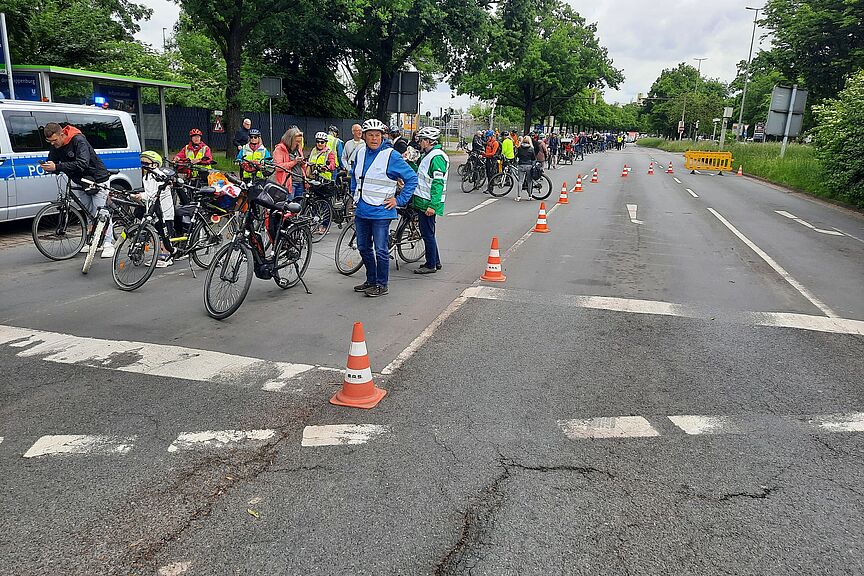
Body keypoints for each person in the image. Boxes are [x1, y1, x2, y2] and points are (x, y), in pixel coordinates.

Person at [349, 118, 417, 297]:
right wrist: (354, 194)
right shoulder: (360, 153)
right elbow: (354, 176)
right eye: (370, 135)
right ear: (364, 136)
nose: (374, 138)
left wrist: (399, 200)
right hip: (362, 210)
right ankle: (371, 280)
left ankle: (381, 284)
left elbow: (412, 178)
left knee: (380, 250)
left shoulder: (391, 155)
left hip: (381, 212)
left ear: (382, 137)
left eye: (377, 135)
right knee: (363, 247)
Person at [40, 122, 115, 257]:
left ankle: (109, 243)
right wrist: (49, 166)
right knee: (89, 212)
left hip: (97, 178)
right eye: (49, 141)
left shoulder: (78, 140)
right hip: (81, 181)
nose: (52, 144)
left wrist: (57, 167)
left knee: (101, 212)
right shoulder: (56, 145)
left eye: (54, 140)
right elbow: (53, 161)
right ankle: (94, 241)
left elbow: (82, 163)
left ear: (62, 134)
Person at [411, 127, 448, 274]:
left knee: (427, 234)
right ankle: (435, 261)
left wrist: (433, 205)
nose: (419, 143)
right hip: (424, 201)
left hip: (428, 203)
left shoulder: (436, 157)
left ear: (427, 141)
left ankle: (430, 264)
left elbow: (438, 183)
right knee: (428, 233)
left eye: (421, 140)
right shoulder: (429, 155)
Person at [133, 151, 177, 267]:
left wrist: (141, 196)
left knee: (164, 232)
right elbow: (148, 192)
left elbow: (155, 193)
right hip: (153, 209)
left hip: (163, 210)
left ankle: (167, 256)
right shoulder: (146, 176)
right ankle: (160, 252)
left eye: (146, 162)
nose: (143, 164)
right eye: (142, 162)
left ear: (155, 164)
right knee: (153, 231)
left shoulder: (159, 176)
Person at [273, 127, 306, 200]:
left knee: (298, 207)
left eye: (299, 141)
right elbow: (278, 167)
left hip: (300, 181)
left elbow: (301, 165)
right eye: (296, 141)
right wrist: (294, 162)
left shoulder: (298, 148)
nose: (298, 144)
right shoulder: (280, 149)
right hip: (289, 183)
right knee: (289, 207)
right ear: (290, 140)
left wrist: (303, 163)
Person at [514, 136, 536, 202]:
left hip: (521, 165)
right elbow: (533, 158)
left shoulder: (519, 148)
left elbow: (517, 156)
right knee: (529, 181)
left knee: (520, 181)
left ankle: (518, 196)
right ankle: (530, 196)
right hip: (529, 166)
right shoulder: (531, 148)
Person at [482, 130, 500, 195]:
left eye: (488, 137)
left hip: (492, 160)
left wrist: (484, 154)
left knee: (491, 175)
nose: (487, 138)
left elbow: (493, 153)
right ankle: (489, 188)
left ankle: (491, 189)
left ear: (492, 136)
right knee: (488, 175)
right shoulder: (488, 142)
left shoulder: (495, 143)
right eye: (487, 137)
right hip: (488, 159)